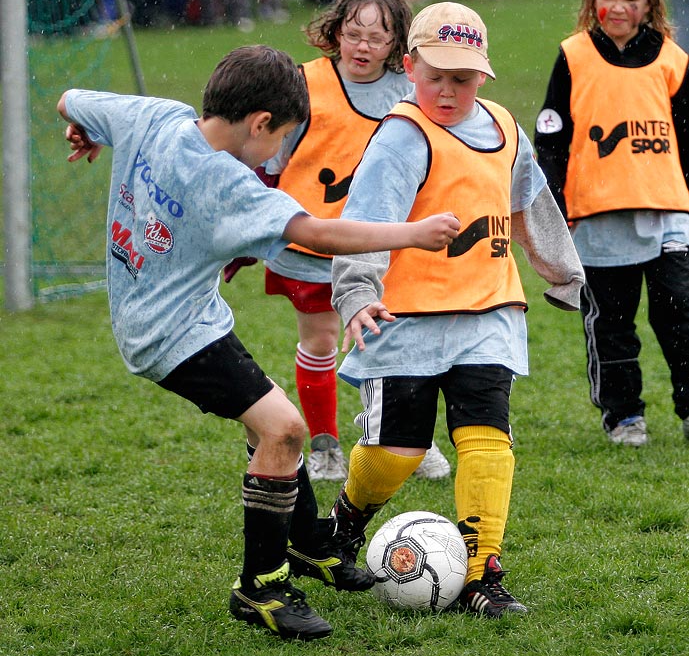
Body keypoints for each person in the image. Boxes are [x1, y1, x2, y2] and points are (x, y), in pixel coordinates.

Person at [56, 45, 461, 641]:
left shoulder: (155, 117)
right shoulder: (228, 185)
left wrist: (82, 127)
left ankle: (306, 544)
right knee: (283, 429)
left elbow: (70, 98)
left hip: (193, 317)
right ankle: (261, 587)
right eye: (283, 142)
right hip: (165, 335)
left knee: (265, 416)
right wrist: (413, 233)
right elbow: (319, 232)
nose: (279, 156)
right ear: (261, 123)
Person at [319, 2, 585, 617]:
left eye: (461, 79)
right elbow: (368, 218)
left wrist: (565, 274)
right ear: (409, 67)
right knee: (396, 454)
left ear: (483, 77)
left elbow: (531, 205)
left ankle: (480, 575)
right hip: (404, 316)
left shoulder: (503, 128)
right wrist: (357, 293)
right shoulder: (401, 136)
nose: (447, 90)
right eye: (435, 75)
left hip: (489, 311)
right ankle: (345, 521)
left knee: (487, 442)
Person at [233, 0, 451, 481]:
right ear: (336, 32)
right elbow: (268, 162)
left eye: (378, 38)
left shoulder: (409, 92)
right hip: (311, 242)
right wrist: (246, 234)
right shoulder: (304, 85)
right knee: (321, 339)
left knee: (395, 339)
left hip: (389, 243)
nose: (364, 46)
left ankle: (406, 440)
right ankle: (328, 445)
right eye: (354, 33)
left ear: (399, 44)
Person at [535, 0, 689, 447]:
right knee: (612, 323)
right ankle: (624, 416)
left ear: (649, 3)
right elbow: (552, 139)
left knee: (680, 311)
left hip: (667, 210)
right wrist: (558, 205)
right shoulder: (574, 54)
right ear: (592, 1)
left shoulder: (672, 59)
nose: (618, 7)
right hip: (597, 212)